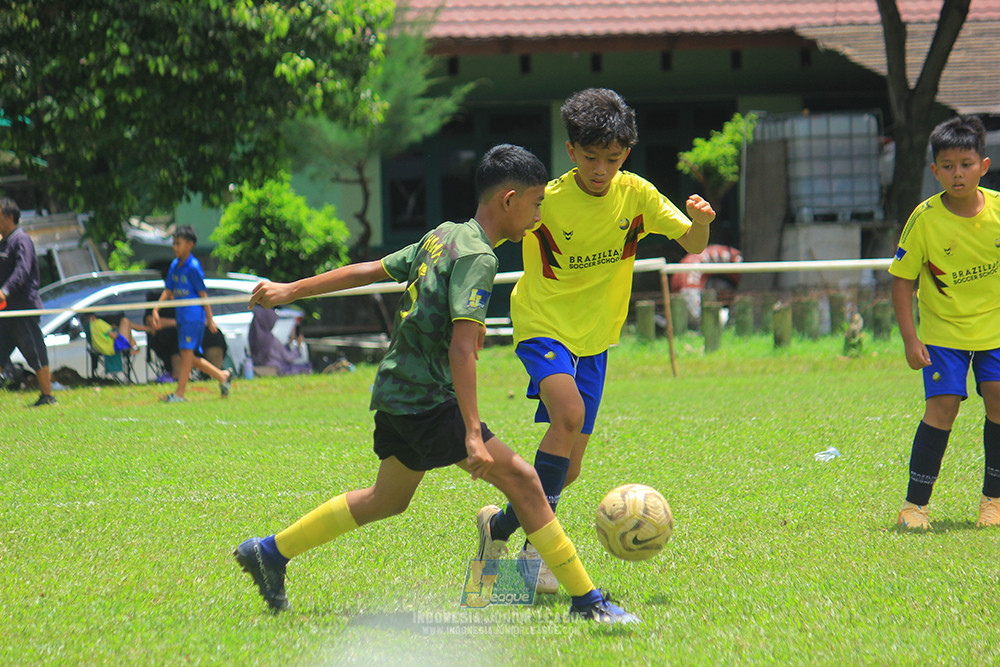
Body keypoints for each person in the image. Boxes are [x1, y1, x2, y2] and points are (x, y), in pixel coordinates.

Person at [233, 144, 638, 624]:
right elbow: (461, 350)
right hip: (429, 401)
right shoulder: (480, 259)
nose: (537, 216)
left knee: (388, 498)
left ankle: (269, 553)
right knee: (526, 482)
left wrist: (290, 288)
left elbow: (370, 270)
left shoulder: (444, 235)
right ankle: (587, 602)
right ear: (508, 200)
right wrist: (471, 431)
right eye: (534, 204)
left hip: (395, 391)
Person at [480, 88, 716, 593]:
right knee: (567, 417)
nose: (601, 170)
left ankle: (497, 527)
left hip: (596, 339)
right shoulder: (547, 200)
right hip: (541, 324)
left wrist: (699, 223)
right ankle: (536, 553)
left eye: (612, 158)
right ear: (571, 151)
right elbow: (488, 235)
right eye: (590, 158)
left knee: (569, 467)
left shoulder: (637, 195)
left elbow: (692, 244)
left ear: (625, 153)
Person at [889, 114, 1000, 531]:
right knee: (943, 407)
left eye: (966, 164)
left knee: (999, 397)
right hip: (943, 334)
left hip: (995, 331)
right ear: (935, 171)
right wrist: (910, 338)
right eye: (948, 166)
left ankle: (994, 501)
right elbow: (902, 282)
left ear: (983, 166)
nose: (958, 174)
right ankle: (914, 507)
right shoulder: (924, 218)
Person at [149, 226, 232, 402]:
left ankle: (179, 394)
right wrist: (156, 308)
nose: (175, 247)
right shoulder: (174, 265)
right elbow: (169, 290)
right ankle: (222, 376)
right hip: (181, 316)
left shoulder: (193, 267)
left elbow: (203, 294)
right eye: (174, 243)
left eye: (178, 243)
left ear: (190, 245)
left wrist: (209, 318)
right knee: (188, 356)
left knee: (186, 354)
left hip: (193, 317)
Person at [0, 197, 57, 407]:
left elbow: (22, 270)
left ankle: (48, 395)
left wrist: (5, 290)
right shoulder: (3, 243)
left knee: (34, 350)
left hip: (22, 308)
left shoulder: (21, 239)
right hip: (5, 312)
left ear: (8, 216)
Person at [248, 305, 312, 375]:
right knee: (306, 366)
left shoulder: (254, 337)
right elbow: (288, 358)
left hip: (260, 366)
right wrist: (298, 346)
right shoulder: (271, 340)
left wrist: (289, 343)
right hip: (275, 368)